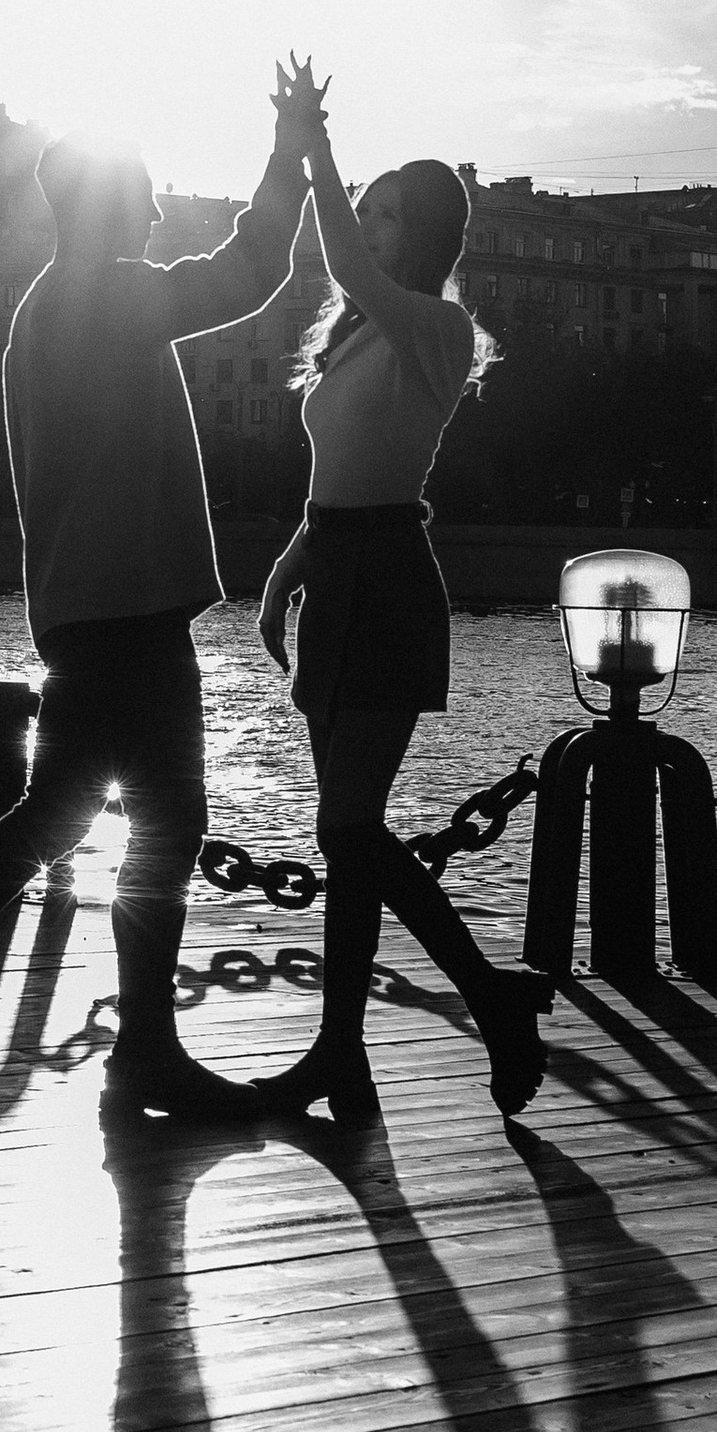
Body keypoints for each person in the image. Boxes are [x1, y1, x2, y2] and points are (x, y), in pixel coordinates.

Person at [0, 87, 314, 1121]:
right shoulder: (105, 297)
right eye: (142, 200)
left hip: (89, 603)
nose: (152, 217)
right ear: (105, 212)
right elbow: (250, 271)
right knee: (162, 818)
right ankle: (135, 1048)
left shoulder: (50, 305)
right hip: (129, 607)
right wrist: (289, 152)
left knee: (65, 813)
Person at [251, 61, 553, 1118]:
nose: (366, 227)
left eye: (385, 213)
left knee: (346, 827)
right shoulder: (356, 335)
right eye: (363, 211)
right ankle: (347, 1050)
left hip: (383, 580)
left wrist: (313, 144)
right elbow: (339, 475)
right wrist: (286, 572)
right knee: (345, 834)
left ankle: (482, 999)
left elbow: (334, 254)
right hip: (338, 567)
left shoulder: (436, 329)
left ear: (422, 234)